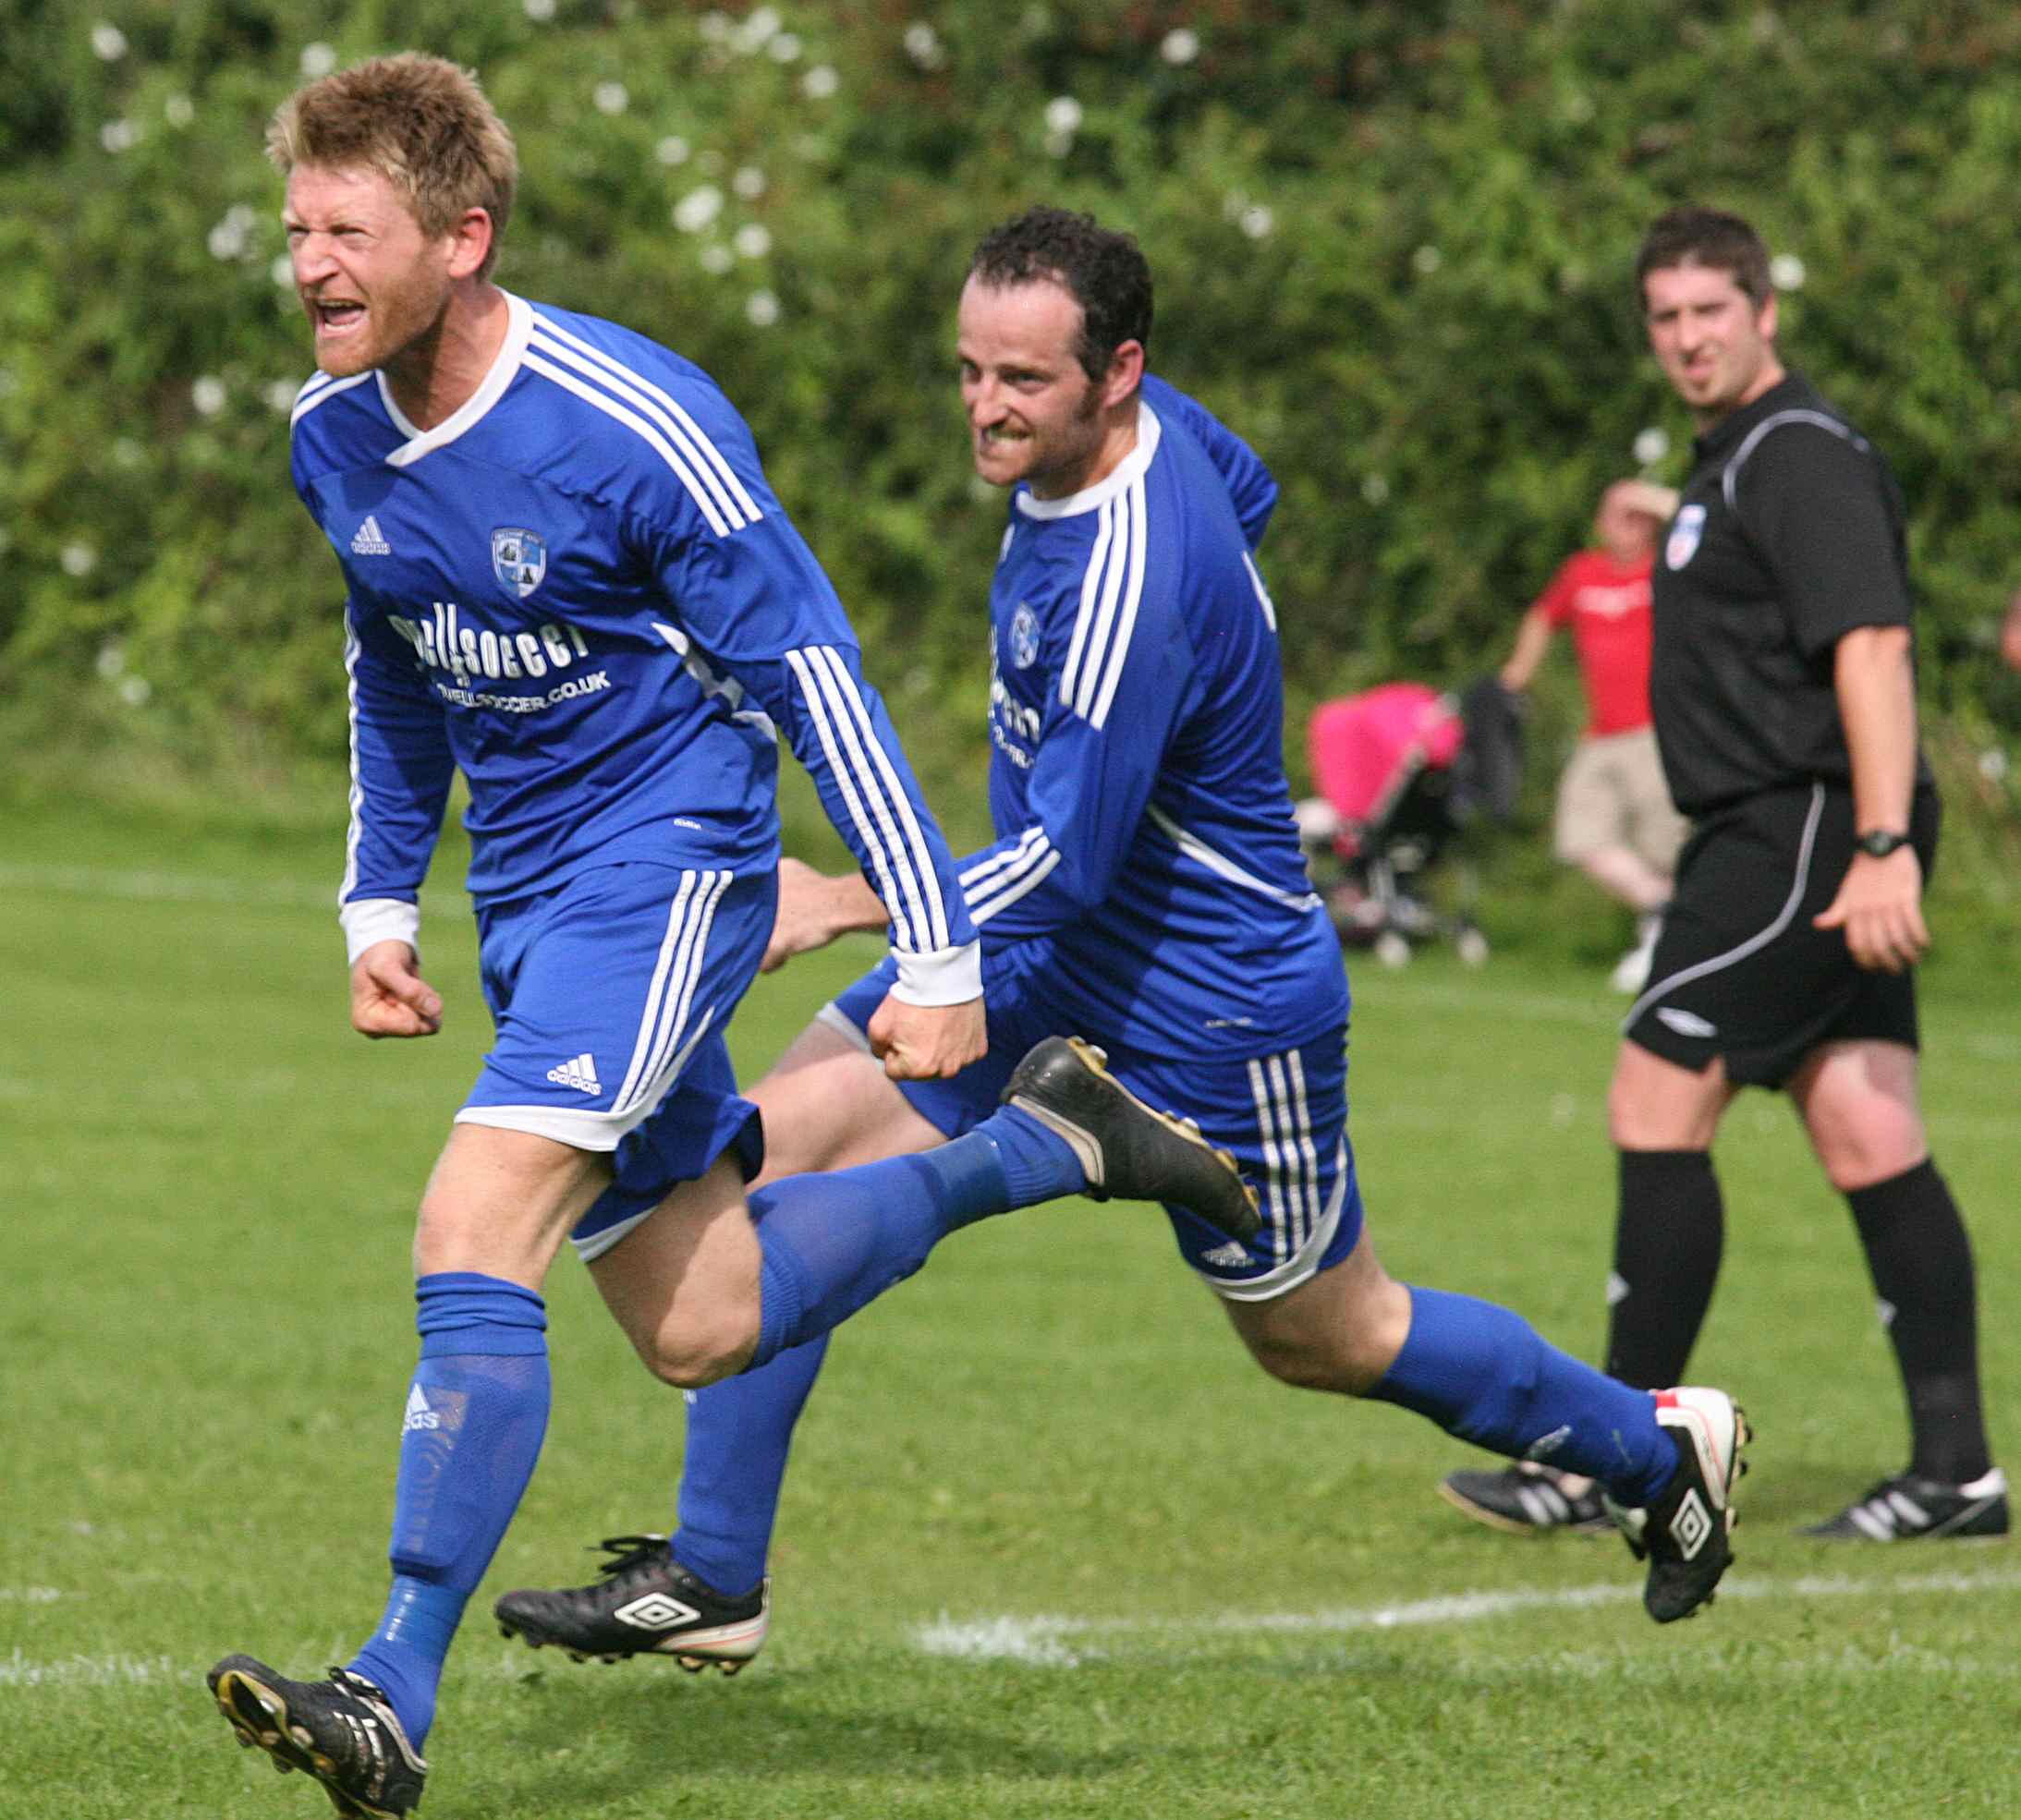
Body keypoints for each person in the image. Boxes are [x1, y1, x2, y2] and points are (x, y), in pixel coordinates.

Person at [204, 59, 1262, 1820]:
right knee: (703, 1321)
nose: (308, 262)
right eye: (296, 226)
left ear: (462, 240)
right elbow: (389, 664)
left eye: (347, 229)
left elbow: (814, 680)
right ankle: (1047, 1144)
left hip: (673, 867)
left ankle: (390, 1682)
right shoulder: (332, 438)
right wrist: (380, 897)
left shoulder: (631, 419)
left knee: (474, 1220)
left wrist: (932, 946)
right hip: (533, 906)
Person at [491, 205, 1750, 1682]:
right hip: (1049, 949)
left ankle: (1657, 1449)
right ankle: (714, 1569)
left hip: (1217, 1008)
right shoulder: (1162, 441)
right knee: (781, 1149)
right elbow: (1250, 495)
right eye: (969, 369)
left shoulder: (1125, 577)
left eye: (1022, 380)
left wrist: (842, 896)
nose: (984, 406)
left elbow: (1062, 854)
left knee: (1329, 1334)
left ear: (1117, 373)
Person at [1443, 205, 2003, 1547]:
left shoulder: (1796, 454)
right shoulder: (1728, 464)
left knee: (1652, 1090)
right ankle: (1954, 1476)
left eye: (1710, 310)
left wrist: (1875, 845)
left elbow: (1869, 650)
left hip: (1794, 830)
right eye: (1664, 317)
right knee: (1867, 1127)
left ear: (1763, 311)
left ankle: (1608, 1459)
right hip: (1773, 826)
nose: (1687, 337)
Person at [1497, 479, 1690, 992]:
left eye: (1639, 518)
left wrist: (1646, 497)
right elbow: (1542, 616)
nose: (1629, 527)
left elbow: (1706, 520)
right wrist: (1517, 672)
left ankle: (1669, 947)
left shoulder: (1667, 567)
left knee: (1665, 846)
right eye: (1619, 516)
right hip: (1601, 735)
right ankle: (1667, 913)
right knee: (1581, 838)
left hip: (1659, 730)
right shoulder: (1582, 573)